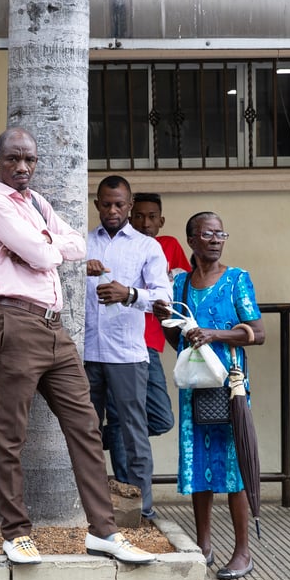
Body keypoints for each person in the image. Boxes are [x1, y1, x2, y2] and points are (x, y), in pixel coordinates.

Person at [0, 126, 155, 566]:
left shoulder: (36, 202)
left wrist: (44, 244)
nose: (22, 167)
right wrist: (45, 247)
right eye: (14, 158)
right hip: (14, 322)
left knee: (86, 427)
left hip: (55, 330)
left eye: (29, 160)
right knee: (10, 435)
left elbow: (73, 244)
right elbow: (44, 256)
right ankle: (16, 533)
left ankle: (103, 530)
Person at [154, 211, 265, 580]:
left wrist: (214, 334)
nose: (217, 239)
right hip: (196, 387)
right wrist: (165, 319)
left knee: (234, 468)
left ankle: (242, 551)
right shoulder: (181, 284)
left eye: (221, 233)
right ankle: (204, 545)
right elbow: (176, 342)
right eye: (208, 234)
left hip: (231, 386)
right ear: (192, 241)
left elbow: (258, 332)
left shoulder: (236, 280)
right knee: (199, 468)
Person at [84, 176, 170, 520]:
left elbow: (164, 297)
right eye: (106, 204)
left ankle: (141, 512)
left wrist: (129, 294)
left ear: (130, 206)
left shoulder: (147, 247)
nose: (113, 210)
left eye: (120, 204)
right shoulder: (83, 242)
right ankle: (90, 509)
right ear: (97, 205)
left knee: (134, 435)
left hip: (127, 354)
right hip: (86, 353)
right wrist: (78, 270)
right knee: (85, 434)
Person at [103, 192, 189, 482]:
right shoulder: (116, 245)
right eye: (138, 215)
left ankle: (105, 437)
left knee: (160, 417)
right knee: (120, 416)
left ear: (161, 221)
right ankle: (128, 488)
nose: (145, 222)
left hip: (150, 343)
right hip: (122, 341)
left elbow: (180, 287)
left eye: (152, 217)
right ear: (129, 215)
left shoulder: (167, 246)